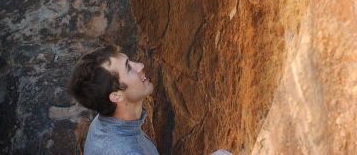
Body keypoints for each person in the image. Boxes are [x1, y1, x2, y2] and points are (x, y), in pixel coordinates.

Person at [68, 44, 233, 155]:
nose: (139, 66)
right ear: (116, 96)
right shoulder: (125, 150)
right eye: (129, 68)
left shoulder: (104, 122)